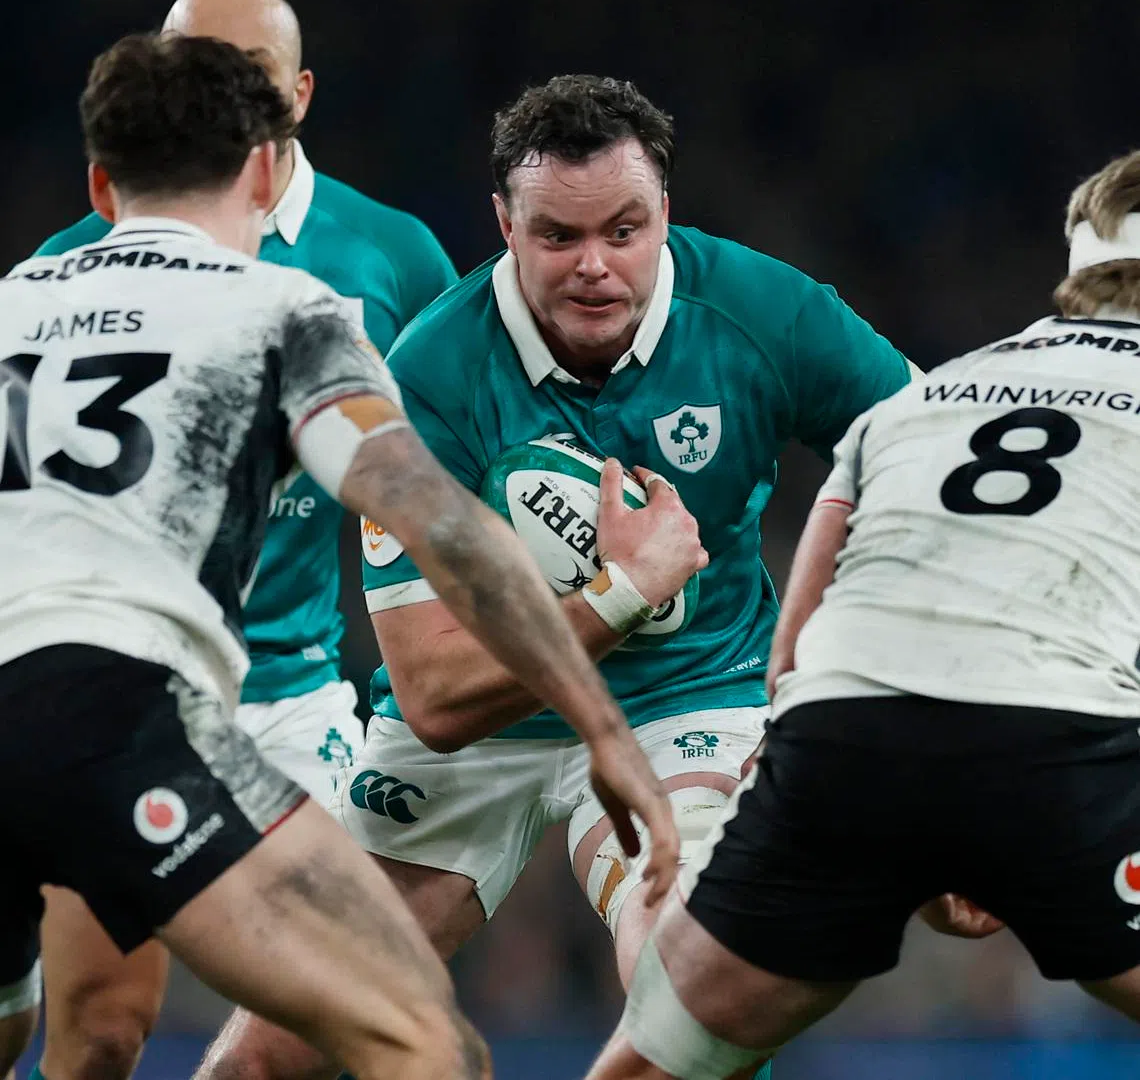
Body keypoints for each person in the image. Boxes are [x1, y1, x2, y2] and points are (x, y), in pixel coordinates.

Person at [195, 73, 916, 1080]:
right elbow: (436, 698)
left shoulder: (767, 313)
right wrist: (624, 593)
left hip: (685, 703)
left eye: (624, 231)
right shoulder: (429, 372)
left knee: (692, 975)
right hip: (482, 732)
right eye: (557, 237)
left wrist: (843, 663)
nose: (594, 267)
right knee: (266, 1058)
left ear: (666, 212)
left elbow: (927, 466)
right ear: (503, 223)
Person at [0, 31, 678, 1080]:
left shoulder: (10, 303)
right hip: (111, 705)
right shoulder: (277, 313)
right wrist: (603, 728)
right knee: (423, 1041)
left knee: (32, 1034)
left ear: (99, 183)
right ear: (266, 171)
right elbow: (439, 522)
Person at [584, 147, 1140, 1080]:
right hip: (1057, 744)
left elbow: (791, 656)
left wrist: (919, 835)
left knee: (661, 1059)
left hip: (842, 743)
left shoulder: (926, 396)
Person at [29, 0, 456, 1080]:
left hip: (292, 695)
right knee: (103, 1027)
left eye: (250, 73)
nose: (218, 92)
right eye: (188, 68)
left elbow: (443, 465)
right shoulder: (70, 260)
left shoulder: (391, 256)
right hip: (118, 692)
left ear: (299, 94)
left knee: (344, 1027)